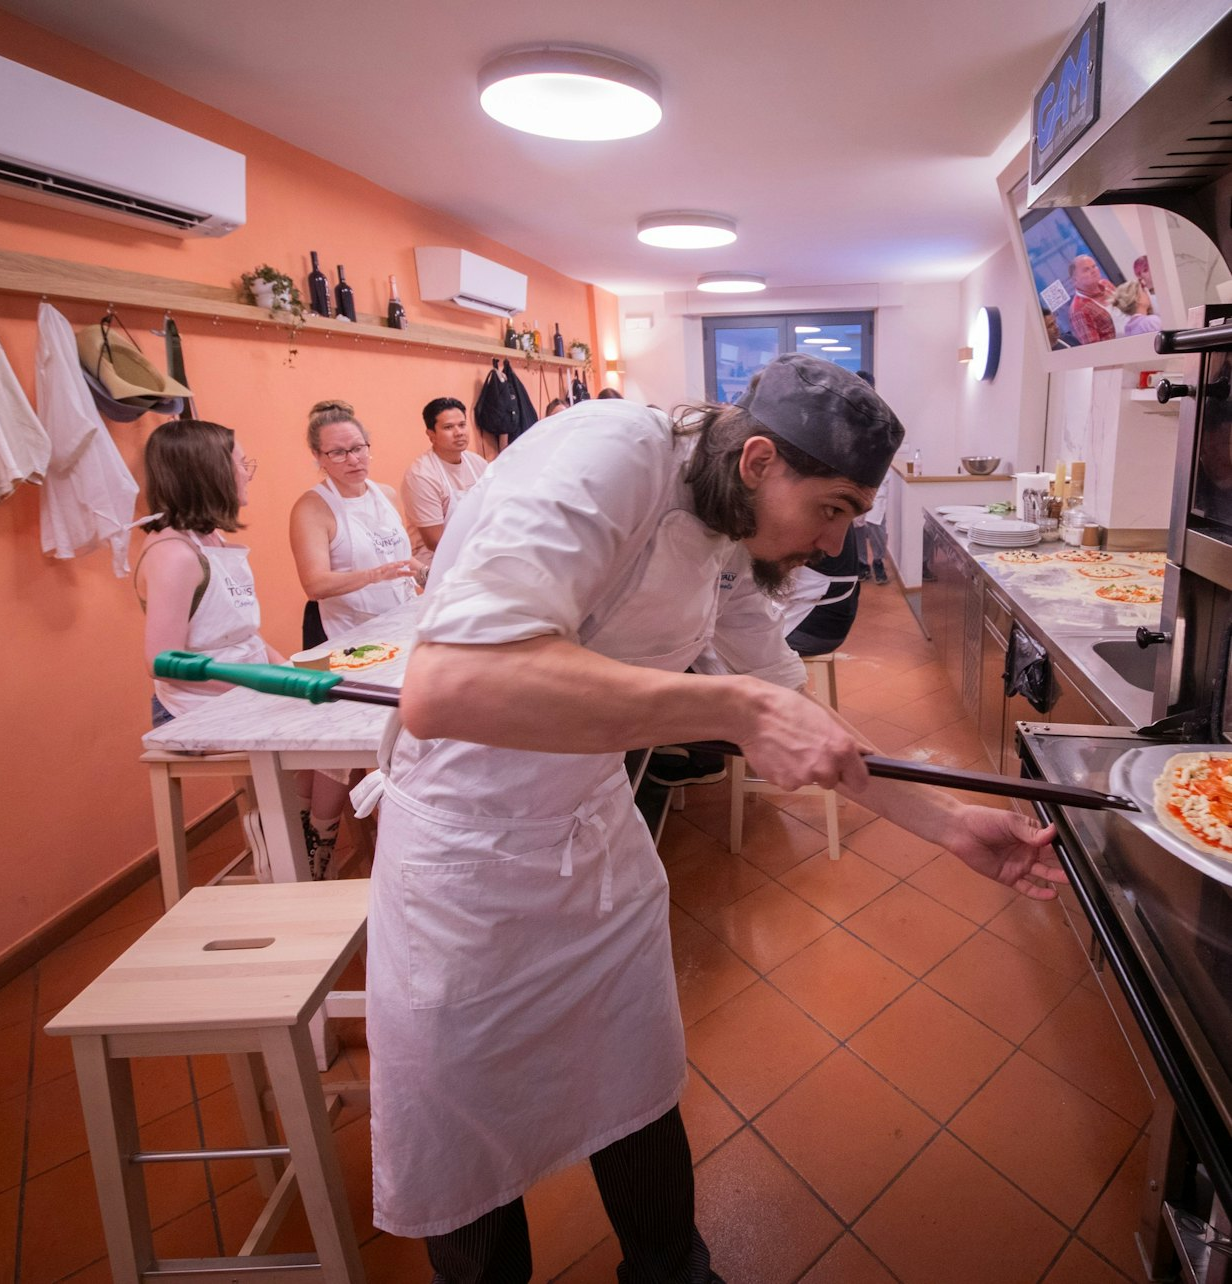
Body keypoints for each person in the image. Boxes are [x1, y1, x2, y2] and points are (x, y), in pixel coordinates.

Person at [366, 354, 1066, 1283]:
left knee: (634, 1084)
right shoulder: (607, 455)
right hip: (466, 851)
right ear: (760, 459)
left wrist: (950, 824)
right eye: (833, 510)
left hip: (595, 826)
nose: (829, 544)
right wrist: (731, 712)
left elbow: (792, 707)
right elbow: (450, 684)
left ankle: (673, 1272)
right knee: (464, 1133)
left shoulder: (730, 526)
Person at [289, 398, 422, 874]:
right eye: (339, 452)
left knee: (401, 727)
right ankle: (316, 844)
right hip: (347, 638)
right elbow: (315, 583)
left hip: (397, 630)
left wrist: (420, 571)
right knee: (341, 740)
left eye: (359, 448)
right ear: (319, 458)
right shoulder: (312, 507)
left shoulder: (384, 493)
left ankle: (398, 836)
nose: (353, 460)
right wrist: (375, 574)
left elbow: (404, 558)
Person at [134, 419, 283, 728]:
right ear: (209, 474)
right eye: (240, 464)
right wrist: (262, 685)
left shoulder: (209, 538)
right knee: (325, 740)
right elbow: (163, 663)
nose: (247, 474)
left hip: (245, 696)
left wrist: (293, 671)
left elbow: (240, 636)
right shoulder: (174, 554)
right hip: (197, 710)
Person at [400, 397, 488, 568]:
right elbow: (435, 541)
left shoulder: (478, 463)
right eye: (448, 427)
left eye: (462, 425)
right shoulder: (421, 475)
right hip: (437, 563)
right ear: (431, 435)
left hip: (476, 551)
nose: (459, 432)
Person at [851, 369, 890, 584]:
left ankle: (879, 562)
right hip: (854, 475)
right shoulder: (848, 411)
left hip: (877, 475)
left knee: (876, 525)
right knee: (857, 524)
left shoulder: (881, 413)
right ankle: (862, 563)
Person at [1068, 255, 1118, 344]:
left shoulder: (1106, 284)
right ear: (1075, 279)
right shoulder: (1078, 310)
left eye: (1094, 266)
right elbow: (1094, 348)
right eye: (1086, 270)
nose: (1093, 271)